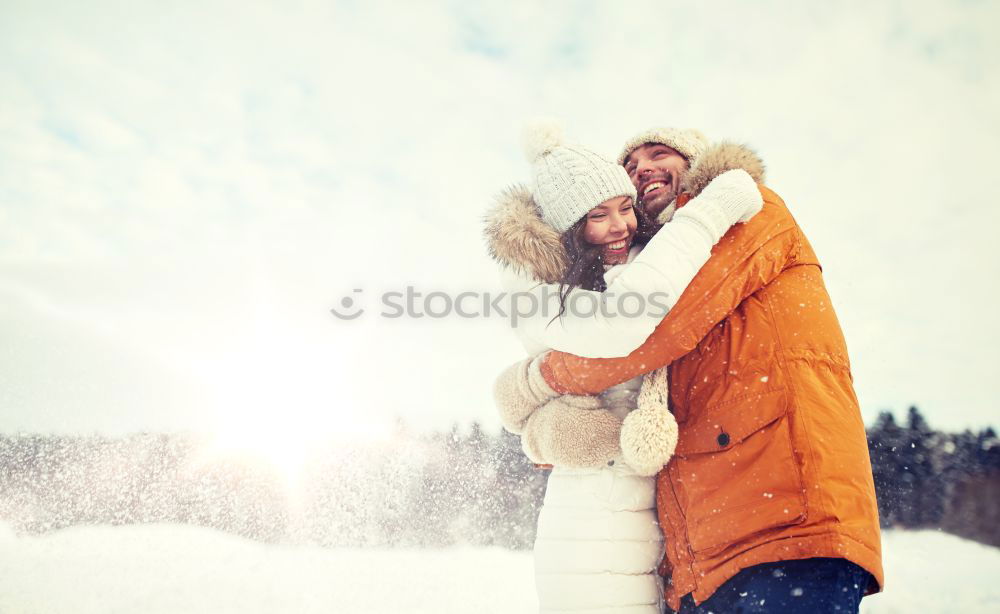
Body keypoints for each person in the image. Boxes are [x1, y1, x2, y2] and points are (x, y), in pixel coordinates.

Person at [494, 127, 885, 613]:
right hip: (708, 546)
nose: (643, 170)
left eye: (659, 153)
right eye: (631, 168)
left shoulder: (746, 210)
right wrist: (555, 428)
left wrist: (535, 383)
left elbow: (653, 332)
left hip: (784, 520)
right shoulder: (653, 259)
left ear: (697, 162)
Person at [486, 122, 764, 614]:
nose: (621, 226)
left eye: (624, 208)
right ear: (569, 230)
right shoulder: (538, 291)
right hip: (588, 519)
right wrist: (708, 213)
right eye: (598, 216)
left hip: (653, 518)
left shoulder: (620, 265)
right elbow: (624, 322)